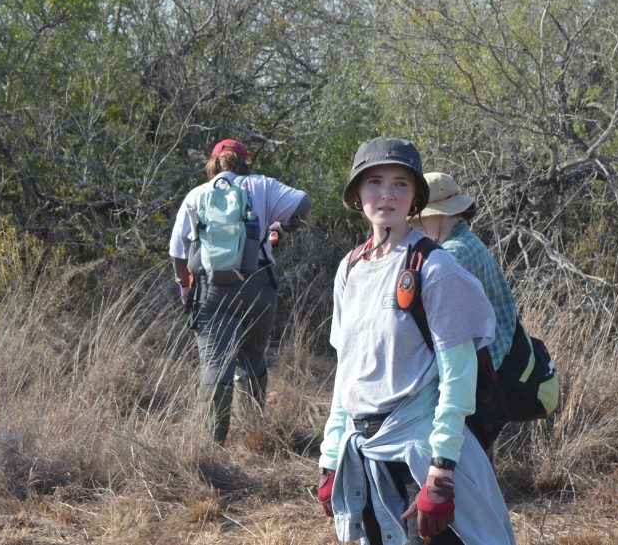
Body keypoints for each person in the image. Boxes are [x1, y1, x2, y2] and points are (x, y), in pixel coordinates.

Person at [317, 137, 516, 545]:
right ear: (357, 194)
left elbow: (458, 378)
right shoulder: (349, 268)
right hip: (364, 456)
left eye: (400, 184)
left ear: (415, 198)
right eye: (375, 182)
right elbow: (348, 373)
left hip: (420, 457)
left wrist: (440, 475)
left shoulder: (435, 268)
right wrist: (331, 456)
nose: (387, 194)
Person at [169, 138, 311, 444]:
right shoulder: (261, 185)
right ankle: (253, 436)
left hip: (211, 289)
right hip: (258, 284)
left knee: (214, 361)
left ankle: (210, 445)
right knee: (253, 357)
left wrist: (184, 287)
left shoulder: (197, 195)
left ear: (213, 163)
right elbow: (303, 203)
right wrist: (279, 231)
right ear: (244, 161)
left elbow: (178, 253)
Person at [414, 172, 519, 457]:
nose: (414, 226)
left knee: (464, 458)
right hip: (482, 365)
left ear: (439, 215)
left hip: (481, 370)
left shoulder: (454, 253)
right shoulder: (462, 242)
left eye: (418, 218)